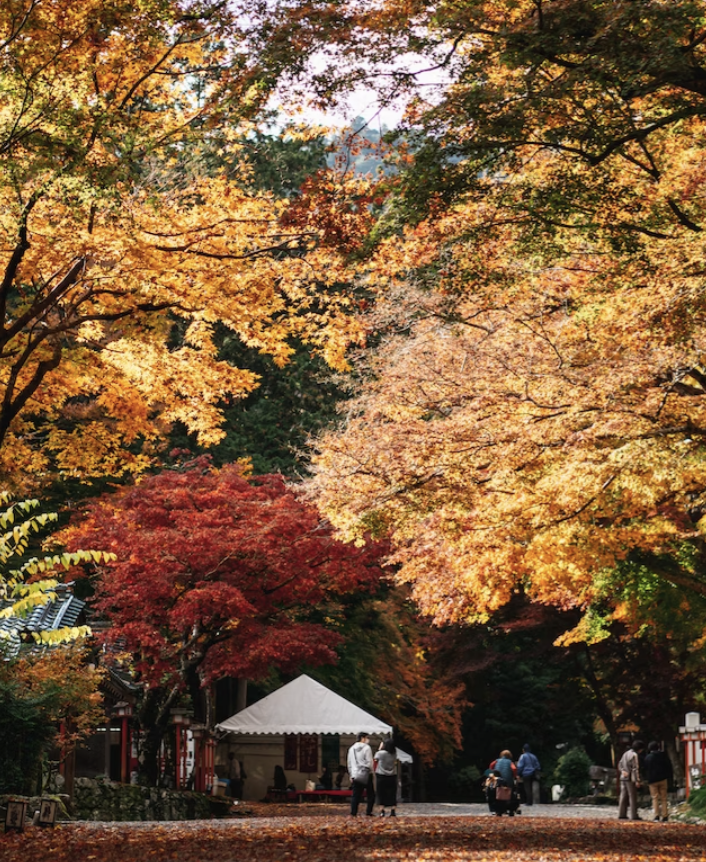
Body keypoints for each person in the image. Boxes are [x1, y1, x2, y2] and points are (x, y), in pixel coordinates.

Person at [347, 732, 375, 817]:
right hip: (366, 773)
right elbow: (370, 762)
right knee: (371, 794)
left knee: (355, 794)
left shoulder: (351, 748)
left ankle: (353, 812)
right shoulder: (367, 748)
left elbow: (349, 763)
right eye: (366, 738)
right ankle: (368, 811)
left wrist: (351, 774)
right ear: (363, 738)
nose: (367, 740)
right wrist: (372, 771)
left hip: (355, 774)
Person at [644, 741, 673, 822]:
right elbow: (669, 766)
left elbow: (645, 768)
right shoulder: (663, 755)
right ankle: (665, 816)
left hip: (652, 780)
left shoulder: (648, 757)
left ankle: (656, 815)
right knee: (664, 798)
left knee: (655, 798)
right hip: (663, 779)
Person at [618, 740, 645, 821]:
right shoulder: (634, 755)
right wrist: (637, 780)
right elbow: (635, 769)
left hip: (623, 776)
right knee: (632, 796)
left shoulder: (626, 753)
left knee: (623, 796)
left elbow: (620, 764)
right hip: (630, 778)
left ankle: (622, 814)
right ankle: (634, 814)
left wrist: (622, 770)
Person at [490, 750, 520, 816]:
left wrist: (493, 772)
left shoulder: (496, 761)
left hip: (498, 780)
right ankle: (511, 808)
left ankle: (497, 809)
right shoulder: (510, 762)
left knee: (495, 791)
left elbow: (491, 765)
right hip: (508, 781)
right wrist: (514, 776)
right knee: (512, 791)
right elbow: (514, 769)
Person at [374, 738, 398, 817]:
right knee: (392, 793)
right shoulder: (394, 753)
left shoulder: (380, 753)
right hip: (392, 775)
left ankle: (382, 811)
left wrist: (379, 748)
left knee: (381, 793)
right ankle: (393, 810)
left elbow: (375, 760)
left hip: (381, 775)